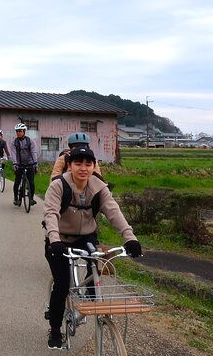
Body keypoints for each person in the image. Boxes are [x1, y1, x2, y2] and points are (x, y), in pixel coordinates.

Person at [43, 147, 142, 349]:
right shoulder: (58, 186)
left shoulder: (99, 187)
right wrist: (54, 240)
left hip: (85, 236)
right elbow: (51, 214)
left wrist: (130, 238)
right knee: (62, 284)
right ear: (69, 165)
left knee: (95, 262)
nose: (83, 168)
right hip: (59, 239)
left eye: (88, 164)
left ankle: (92, 298)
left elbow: (113, 211)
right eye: (78, 163)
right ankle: (54, 329)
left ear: (93, 166)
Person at [9, 123, 38, 205]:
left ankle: (31, 198)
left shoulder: (30, 141)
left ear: (24, 131)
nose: (18, 133)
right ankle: (15, 198)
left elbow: (34, 152)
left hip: (29, 163)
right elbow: (13, 153)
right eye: (17, 131)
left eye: (20, 131)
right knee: (17, 181)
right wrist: (14, 163)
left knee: (31, 182)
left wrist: (35, 163)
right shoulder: (14, 142)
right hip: (19, 164)